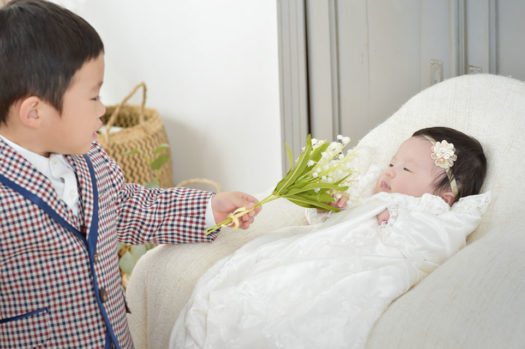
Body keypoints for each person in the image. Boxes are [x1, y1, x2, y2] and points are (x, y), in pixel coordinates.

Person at [0, 1, 260, 348]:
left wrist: (209, 209)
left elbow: (130, 207)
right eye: (93, 96)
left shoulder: (90, 158)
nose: (103, 108)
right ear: (35, 112)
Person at [170, 127, 490, 349]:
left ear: (446, 195)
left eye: (406, 170)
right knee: (255, 283)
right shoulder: (372, 197)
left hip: (354, 265)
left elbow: (432, 246)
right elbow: (334, 227)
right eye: (392, 163)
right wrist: (332, 209)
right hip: (318, 250)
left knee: (305, 304)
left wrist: (398, 220)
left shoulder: (432, 216)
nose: (389, 171)